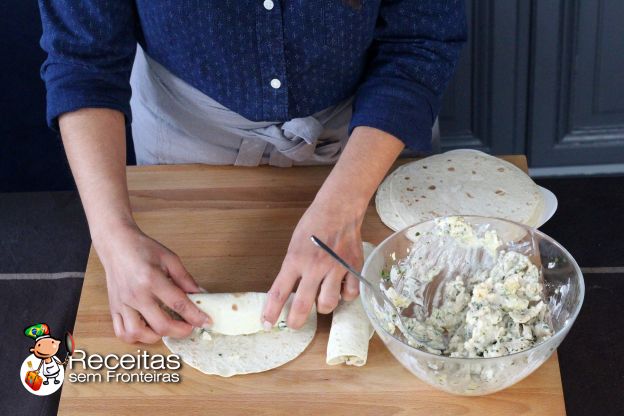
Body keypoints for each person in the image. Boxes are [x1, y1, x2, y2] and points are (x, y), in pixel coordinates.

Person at [38, 1, 466, 343]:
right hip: (187, 141)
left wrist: (345, 201)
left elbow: (420, 40)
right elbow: (82, 60)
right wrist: (112, 236)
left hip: (369, 138)